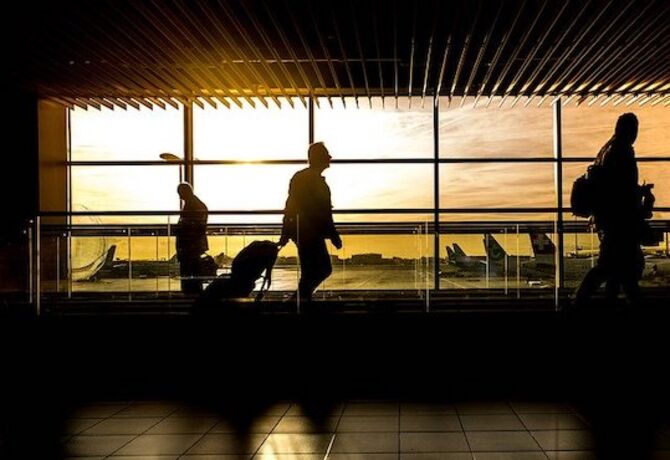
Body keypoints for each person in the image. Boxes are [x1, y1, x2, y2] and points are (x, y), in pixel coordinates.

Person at [574, 113, 652, 307]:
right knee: (617, 267)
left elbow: (612, 187)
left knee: (614, 267)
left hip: (608, 220)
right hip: (619, 222)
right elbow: (621, 189)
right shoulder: (622, 151)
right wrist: (639, 196)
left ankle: (586, 303)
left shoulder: (606, 150)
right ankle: (579, 303)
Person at [279, 142, 342, 302]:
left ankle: (300, 300)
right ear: (318, 158)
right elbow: (322, 212)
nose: (330, 157)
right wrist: (333, 234)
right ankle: (299, 300)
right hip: (309, 232)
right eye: (326, 154)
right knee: (322, 268)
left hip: (302, 231)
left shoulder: (302, 178)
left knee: (312, 270)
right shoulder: (314, 180)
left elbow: (290, 206)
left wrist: (286, 231)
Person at [175, 182, 209, 294]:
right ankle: (193, 294)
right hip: (193, 245)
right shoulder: (197, 204)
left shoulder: (193, 206)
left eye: (180, 193)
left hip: (190, 245)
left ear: (186, 192)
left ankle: (190, 295)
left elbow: (193, 227)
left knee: (189, 273)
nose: (180, 196)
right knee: (194, 273)